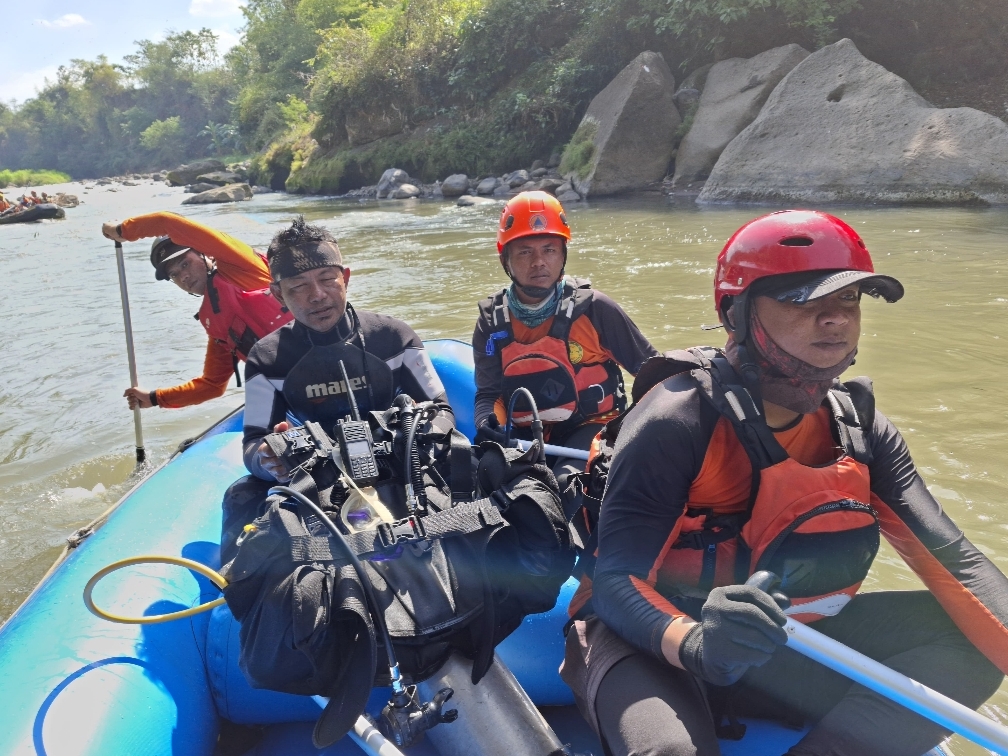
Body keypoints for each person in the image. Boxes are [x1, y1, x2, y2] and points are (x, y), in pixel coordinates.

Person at [561, 210, 1008, 756]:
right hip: (653, 640)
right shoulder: (676, 421)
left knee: (969, 636)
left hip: (780, 642)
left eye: (849, 300)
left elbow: (957, 566)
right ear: (736, 312)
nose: (835, 319)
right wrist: (699, 645)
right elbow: (616, 584)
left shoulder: (860, 431)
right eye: (802, 299)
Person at [221, 216, 454, 561]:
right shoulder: (266, 358)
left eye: (327, 279)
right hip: (319, 476)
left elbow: (442, 411)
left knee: (466, 458)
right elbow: (253, 444)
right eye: (298, 286)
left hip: (401, 464)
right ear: (277, 295)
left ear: (345, 278)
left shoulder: (394, 337)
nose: (317, 296)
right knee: (240, 494)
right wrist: (270, 459)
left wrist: (417, 439)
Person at [472, 190, 657, 479]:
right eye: (525, 251)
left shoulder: (595, 309)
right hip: (525, 435)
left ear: (563, 254)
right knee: (491, 473)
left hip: (591, 430)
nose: (538, 262)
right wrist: (487, 422)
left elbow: (653, 373)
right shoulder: (491, 322)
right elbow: (488, 394)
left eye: (549, 249)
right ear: (505, 259)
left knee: (566, 481)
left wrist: (635, 430)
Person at [102, 212, 293, 410]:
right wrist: (154, 398)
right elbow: (212, 385)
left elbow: (166, 222)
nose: (183, 276)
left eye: (186, 264)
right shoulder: (216, 322)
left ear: (207, 253)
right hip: (297, 392)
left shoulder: (240, 264)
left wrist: (122, 230)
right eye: (174, 274)